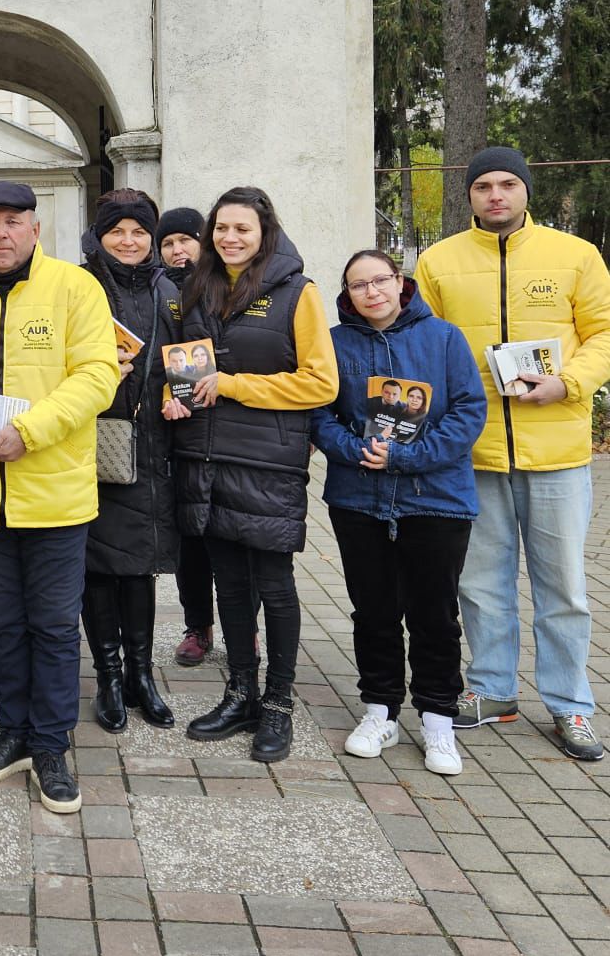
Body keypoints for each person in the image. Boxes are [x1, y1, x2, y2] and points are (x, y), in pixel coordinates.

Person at [0, 182, 118, 814]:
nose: (1, 233)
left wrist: (30, 430)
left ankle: (52, 745)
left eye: (14, 221)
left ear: (36, 228)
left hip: (56, 491)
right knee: (1, 623)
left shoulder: (75, 288)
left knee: (54, 626)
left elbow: (98, 375)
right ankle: (13, 731)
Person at [416, 146, 610, 761]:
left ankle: (571, 704)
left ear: (526, 190)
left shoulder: (575, 255)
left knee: (564, 588)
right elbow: (426, 346)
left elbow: (604, 333)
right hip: (472, 454)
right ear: (469, 195)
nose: (495, 195)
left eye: (507, 184)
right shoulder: (438, 261)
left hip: (556, 451)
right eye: (483, 186)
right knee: (479, 583)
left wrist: (568, 383)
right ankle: (493, 689)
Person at [166, 187, 338, 765]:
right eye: (221, 228)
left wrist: (234, 386)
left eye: (242, 228)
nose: (230, 237)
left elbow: (321, 382)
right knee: (230, 587)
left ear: (265, 232)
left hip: (266, 462)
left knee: (275, 586)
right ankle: (240, 693)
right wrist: (174, 394)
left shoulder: (298, 293)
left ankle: (279, 703)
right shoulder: (198, 288)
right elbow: (185, 366)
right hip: (206, 458)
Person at [311, 250, 487, 777]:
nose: (372, 292)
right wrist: (353, 449)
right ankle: (380, 710)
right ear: (347, 293)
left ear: (400, 282)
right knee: (374, 610)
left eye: (380, 280)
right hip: (358, 498)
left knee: (435, 614)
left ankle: (437, 718)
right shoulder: (335, 343)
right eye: (358, 285)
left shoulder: (444, 338)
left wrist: (407, 457)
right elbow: (318, 412)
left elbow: (468, 411)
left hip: (435, 498)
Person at [80, 189, 180, 734]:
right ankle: (109, 677)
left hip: (155, 442)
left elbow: (190, 354)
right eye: (116, 230)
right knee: (99, 563)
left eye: (139, 231)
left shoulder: (170, 289)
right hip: (95, 439)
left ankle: (141, 674)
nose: (128, 240)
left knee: (141, 563)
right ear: (99, 236)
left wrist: (181, 393)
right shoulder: (81, 285)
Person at [156, 207, 218, 669]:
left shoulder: (224, 285)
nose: (178, 251)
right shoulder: (157, 290)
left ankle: (246, 628)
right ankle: (197, 625)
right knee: (190, 538)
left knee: (235, 538)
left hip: (229, 426)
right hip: (177, 429)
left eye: (186, 240)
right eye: (168, 243)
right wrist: (167, 394)